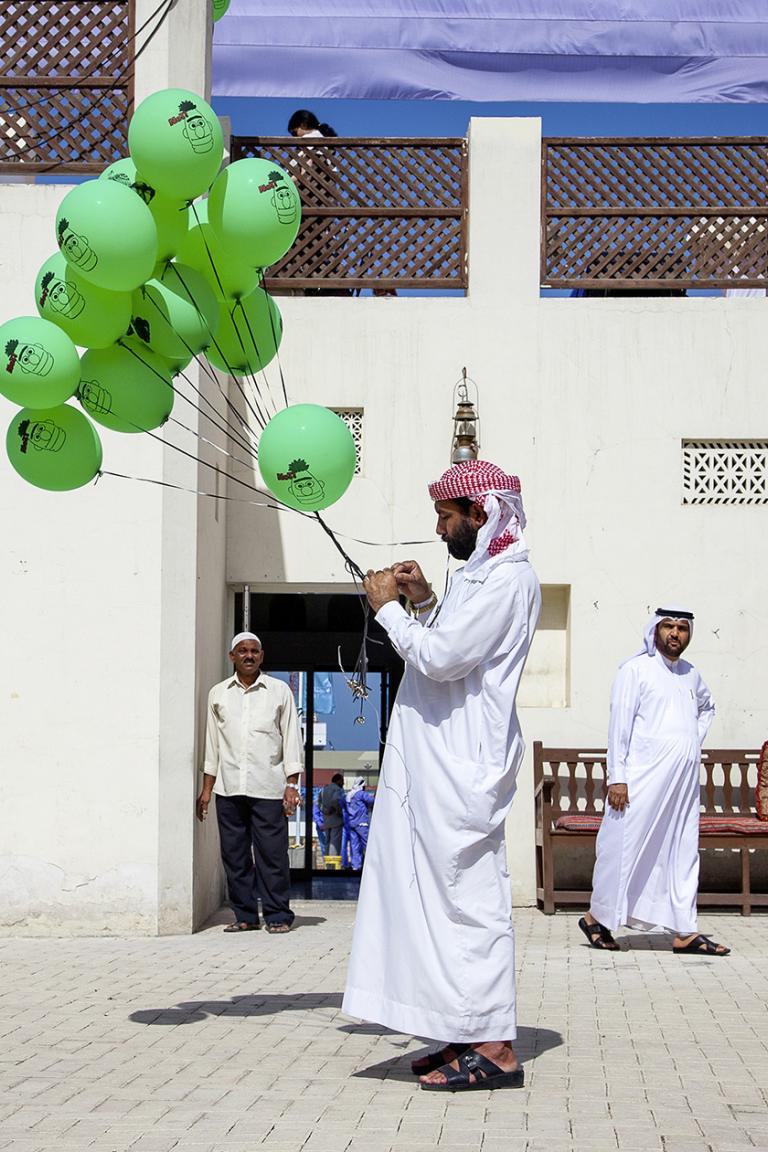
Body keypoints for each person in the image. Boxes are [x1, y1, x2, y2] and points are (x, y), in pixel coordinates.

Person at [342, 459, 541, 1092]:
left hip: (463, 767)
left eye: (447, 516)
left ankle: (495, 1045)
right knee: (432, 900)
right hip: (437, 763)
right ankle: (460, 1028)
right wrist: (424, 601)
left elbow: (443, 658)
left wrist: (388, 611)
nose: (439, 526)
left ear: (481, 515)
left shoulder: (510, 581)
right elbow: (448, 641)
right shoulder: (479, 579)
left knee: (468, 901)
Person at [580, 608, 730, 957]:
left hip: (681, 782)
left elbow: (708, 707)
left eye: (681, 628)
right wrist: (617, 778)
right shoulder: (635, 670)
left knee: (681, 851)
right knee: (622, 845)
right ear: (655, 630)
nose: (675, 634)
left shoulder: (691, 675)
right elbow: (619, 727)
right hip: (639, 779)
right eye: (668, 627)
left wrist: (692, 739)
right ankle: (596, 918)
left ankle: (684, 930)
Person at [196, 632, 302, 934]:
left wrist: (292, 784)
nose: (249, 656)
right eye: (242, 651)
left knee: (273, 856)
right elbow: (212, 744)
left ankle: (278, 915)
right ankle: (245, 915)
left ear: (262, 656)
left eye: (254, 651)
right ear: (232, 656)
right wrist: (206, 790)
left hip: (268, 787)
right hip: (228, 789)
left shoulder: (279, 691)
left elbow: (291, 739)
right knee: (235, 856)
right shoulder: (218, 694)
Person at [346, 776, 374, 870]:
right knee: (368, 845)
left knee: (354, 846)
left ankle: (356, 866)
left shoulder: (349, 795)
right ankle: (373, 865)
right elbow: (372, 801)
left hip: (351, 824)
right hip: (361, 823)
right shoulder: (361, 794)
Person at [319, 772, 347, 857]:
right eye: (342, 781)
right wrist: (338, 811)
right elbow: (335, 800)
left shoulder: (324, 789)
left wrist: (325, 810)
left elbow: (319, 803)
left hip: (326, 820)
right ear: (338, 781)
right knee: (334, 843)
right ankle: (333, 865)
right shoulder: (338, 789)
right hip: (336, 820)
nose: (343, 783)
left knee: (327, 842)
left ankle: (328, 864)